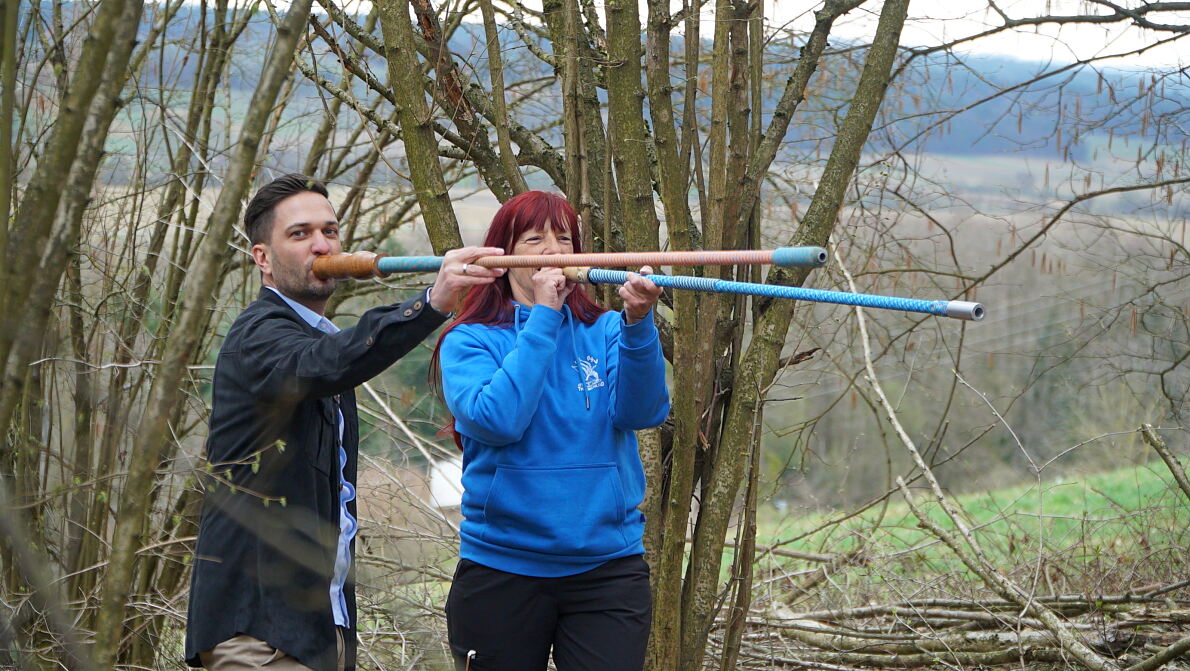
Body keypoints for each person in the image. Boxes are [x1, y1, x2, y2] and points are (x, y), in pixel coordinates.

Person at [185, 173, 504, 671]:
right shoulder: (260, 336)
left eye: (329, 232)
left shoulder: (318, 337)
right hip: (256, 635)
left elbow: (334, 357)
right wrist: (431, 303)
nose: (321, 244)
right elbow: (327, 362)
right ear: (262, 258)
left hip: (320, 633)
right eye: (299, 234)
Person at [433, 190, 670, 671]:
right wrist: (544, 317)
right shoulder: (470, 339)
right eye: (535, 238)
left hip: (608, 569)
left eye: (565, 238)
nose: (554, 252)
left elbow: (643, 412)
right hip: (501, 567)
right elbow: (497, 421)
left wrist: (640, 323)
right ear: (506, 255)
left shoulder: (605, 329)